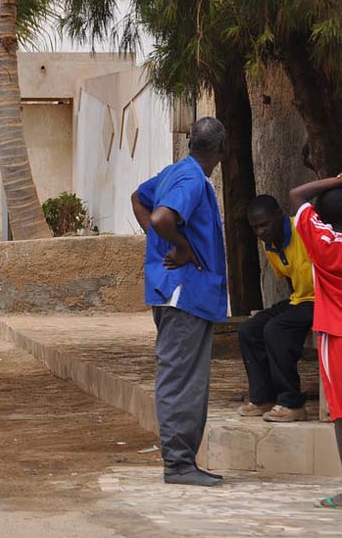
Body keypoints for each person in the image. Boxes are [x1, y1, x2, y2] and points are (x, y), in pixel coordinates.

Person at [130, 117, 229, 487]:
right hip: (183, 294)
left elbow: (138, 197)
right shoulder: (189, 180)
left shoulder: (175, 171)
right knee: (181, 379)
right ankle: (178, 464)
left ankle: (181, 461)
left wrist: (161, 244)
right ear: (221, 150)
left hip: (177, 291)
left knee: (186, 377)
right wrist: (182, 247)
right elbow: (159, 216)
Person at [288, 176, 342, 509]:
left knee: (340, 415)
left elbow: (296, 194)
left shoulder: (321, 241)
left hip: (336, 337)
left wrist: (337, 179)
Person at [237, 195, 314, 421]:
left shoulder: (302, 229)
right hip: (300, 299)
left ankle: (292, 403)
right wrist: (292, 306)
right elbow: (290, 280)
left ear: (279, 215)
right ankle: (263, 397)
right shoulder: (268, 244)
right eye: (255, 227)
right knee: (249, 329)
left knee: (276, 329)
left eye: (264, 224)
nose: (260, 231)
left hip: (324, 299)